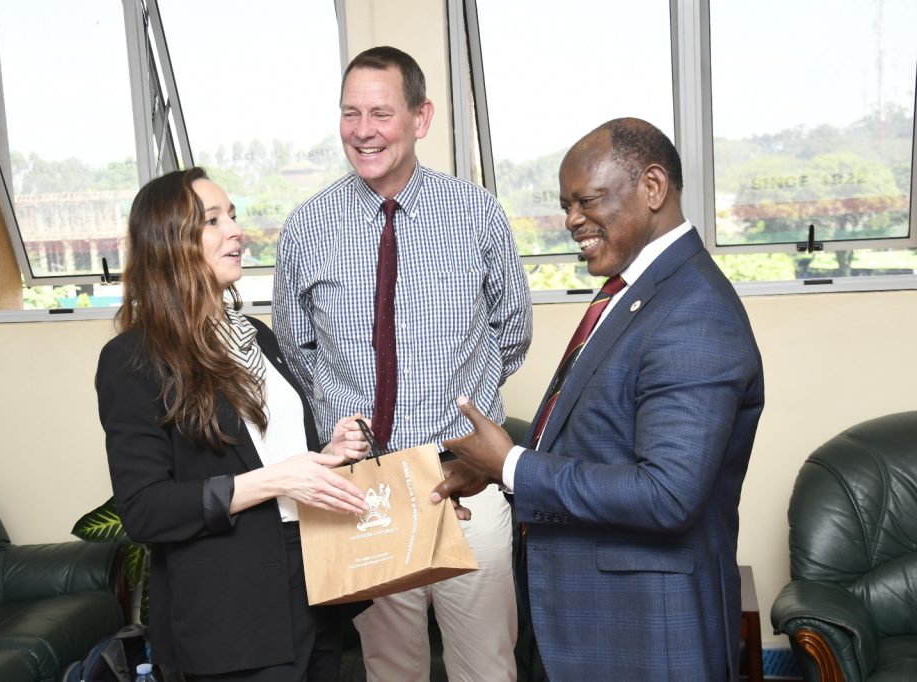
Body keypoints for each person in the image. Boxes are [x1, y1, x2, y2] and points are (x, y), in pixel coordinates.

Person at [432, 118, 765, 681]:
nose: (571, 221)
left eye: (586, 200)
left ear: (653, 187)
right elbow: (597, 436)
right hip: (593, 625)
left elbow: (665, 495)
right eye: (565, 205)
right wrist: (495, 468)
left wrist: (512, 465)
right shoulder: (633, 292)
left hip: (647, 635)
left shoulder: (694, 312)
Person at [272, 46, 531, 681]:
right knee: (390, 670)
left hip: (463, 480)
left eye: (382, 112)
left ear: (421, 118)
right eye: (350, 113)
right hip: (365, 491)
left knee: (487, 668)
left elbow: (514, 329)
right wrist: (339, 411)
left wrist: (463, 404)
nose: (364, 131)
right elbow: (293, 344)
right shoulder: (306, 228)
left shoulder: (476, 215)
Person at [96, 167, 373, 681]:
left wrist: (327, 448)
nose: (236, 231)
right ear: (169, 243)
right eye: (213, 220)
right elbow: (144, 510)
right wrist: (275, 480)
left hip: (312, 582)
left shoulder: (256, 337)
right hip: (231, 615)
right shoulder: (132, 359)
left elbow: (275, 452)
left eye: (234, 216)